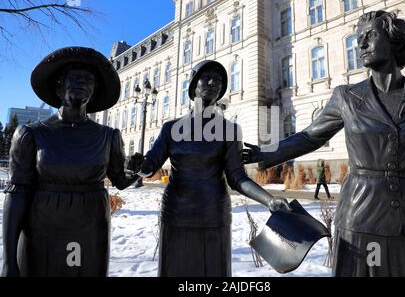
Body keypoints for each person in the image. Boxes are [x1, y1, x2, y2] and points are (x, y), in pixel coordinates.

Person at [242, 10, 405, 277]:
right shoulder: (347, 97)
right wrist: (264, 153)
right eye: (358, 37)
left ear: (394, 39)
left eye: (370, 36)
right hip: (360, 210)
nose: (360, 44)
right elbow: (310, 136)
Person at [139, 60, 291, 277]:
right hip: (176, 213)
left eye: (218, 80)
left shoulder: (230, 130)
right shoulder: (171, 128)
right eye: (207, 77)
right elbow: (150, 165)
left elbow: (237, 177)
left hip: (213, 214)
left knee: (212, 270)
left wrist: (269, 199)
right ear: (193, 85)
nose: (213, 82)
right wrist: (138, 165)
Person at [2, 47, 142, 277]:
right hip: (42, 229)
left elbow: (121, 180)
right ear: (59, 86)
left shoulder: (108, 136)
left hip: (90, 228)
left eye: (88, 80)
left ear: (95, 91)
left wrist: (140, 170)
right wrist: (8, 261)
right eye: (74, 78)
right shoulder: (31, 134)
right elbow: (16, 195)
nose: (82, 83)